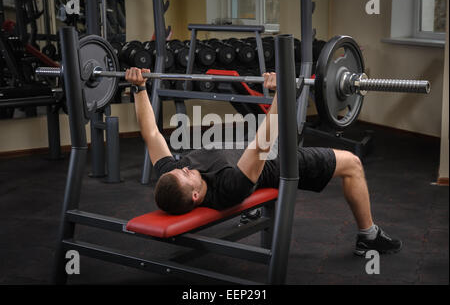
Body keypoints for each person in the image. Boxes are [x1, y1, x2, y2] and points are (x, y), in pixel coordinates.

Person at [126, 67, 402, 256]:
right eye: (186, 174)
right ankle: (369, 237)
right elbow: (263, 143)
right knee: (352, 163)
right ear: (196, 195)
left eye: (180, 169)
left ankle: (253, 211)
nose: (183, 167)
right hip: (276, 160)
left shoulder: (172, 175)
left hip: (245, 147)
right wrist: (281, 93)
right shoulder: (229, 186)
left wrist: (138, 88)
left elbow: (150, 133)